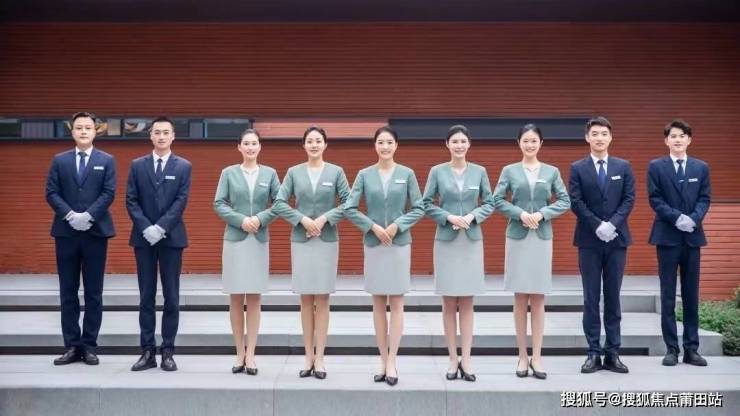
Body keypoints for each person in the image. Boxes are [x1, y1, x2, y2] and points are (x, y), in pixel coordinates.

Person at [344, 126, 424, 386]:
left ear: (396, 145)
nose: (385, 146)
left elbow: (419, 207)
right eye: (381, 142)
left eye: (389, 142)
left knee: (397, 302)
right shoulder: (364, 175)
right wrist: (373, 227)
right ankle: (382, 359)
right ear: (375, 145)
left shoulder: (407, 174)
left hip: (399, 244)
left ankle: (392, 360)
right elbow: (350, 208)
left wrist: (398, 225)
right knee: (378, 302)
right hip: (374, 244)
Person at [493, 123, 570, 380]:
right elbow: (497, 199)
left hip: (541, 237)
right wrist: (520, 213)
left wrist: (542, 214)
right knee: (520, 297)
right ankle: (522, 356)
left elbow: (564, 200)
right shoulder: (509, 170)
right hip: (517, 237)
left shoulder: (551, 171)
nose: (530, 145)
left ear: (540, 143)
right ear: (519, 143)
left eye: (534, 140)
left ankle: (537, 356)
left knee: (538, 298)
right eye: (525, 140)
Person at [273, 126, 350, 379]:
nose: (314, 144)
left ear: (325, 144)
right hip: (302, 239)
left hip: (326, 239)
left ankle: (320, 359)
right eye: (310, 141)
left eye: (318, 140)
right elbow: (280, 203)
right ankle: (308, 357)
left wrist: (325, 218)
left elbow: (348, 203)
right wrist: (303, 220)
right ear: (303, 145)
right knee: (306, 299)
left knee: (323, 299)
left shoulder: (336, 172)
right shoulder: (294, 172)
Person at [422, 124, 495, 382]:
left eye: (463, 141)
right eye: (455, 141)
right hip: (447, 241)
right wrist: (448, 216)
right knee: (448, 302)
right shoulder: (437, 172)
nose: (459, 145)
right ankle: (452, 359)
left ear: (469, 144)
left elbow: (490, 202)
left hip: (471, 241)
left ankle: (467, 358)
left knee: (467, 302)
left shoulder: (480, 172)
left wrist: (473, 216)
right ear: (447, 144)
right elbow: (425, 203)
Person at [45, 111, 116, 366]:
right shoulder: (59, 160)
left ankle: (89, 346)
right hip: (66, 233)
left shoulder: (106, 160)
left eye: (88, 127)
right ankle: (72, 346)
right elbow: (51, 192)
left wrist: (88, 216)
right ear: (72, 131)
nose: (83, 131)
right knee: (68, 291)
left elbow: (109, 192)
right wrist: (70, 215)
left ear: (96, 131)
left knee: (94, 292)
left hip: (95, 233)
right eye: (79, 127)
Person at [568, 116, 635, 374]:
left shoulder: (623, 166)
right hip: (588, 240)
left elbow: (628, 199)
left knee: (613, 297)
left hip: (617, 240)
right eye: (594, 134)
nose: (599, 138)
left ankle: (613, 353)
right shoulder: (577, 168)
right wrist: (597, 225)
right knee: (591, 297)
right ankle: (593, 352)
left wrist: (613, 225)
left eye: (604, 134)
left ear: (610, 137)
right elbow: (576, 201)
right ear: (587, 137)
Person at [126, 116, 192, 372]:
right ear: (150, 135)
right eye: (157, 132)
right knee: (146, 296)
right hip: (143, 239)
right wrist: (146, 228)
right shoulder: (137, 165)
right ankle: (147, 351)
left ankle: (167, 351)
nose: (162, 136)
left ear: (173, 136)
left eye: (166, 132)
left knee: (171, 296)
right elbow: (131, 200)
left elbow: (180, 201)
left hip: (171, 238)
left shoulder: (183, 166)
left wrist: (161, 227)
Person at [214, 128, 280, 375]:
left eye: (254, 143)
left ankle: (251, 354)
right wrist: (241, 220)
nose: (250, 147)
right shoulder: (228, 173)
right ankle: (239, 354)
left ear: (260, 147)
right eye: (246, 143)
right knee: (235, 297)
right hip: (235, 239)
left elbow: (280, 203)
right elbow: (219, 203)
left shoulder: (270, 174)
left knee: (254, 297)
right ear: (239, 147)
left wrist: (260, 219)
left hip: (258, 240)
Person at [647, 119, 711, 367]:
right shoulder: (656, 166)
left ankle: (691, 349)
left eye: (682, 136)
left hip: (692, 237)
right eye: (673, 136)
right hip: (667, 236)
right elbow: (655, 198)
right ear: (666, 141)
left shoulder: (701, 167)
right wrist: (677, 218)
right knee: (667, 295)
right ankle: (671, 349)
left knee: (691, 294)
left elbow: (705, 198)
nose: (678, 140)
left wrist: (693, 219)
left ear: (689, 140)